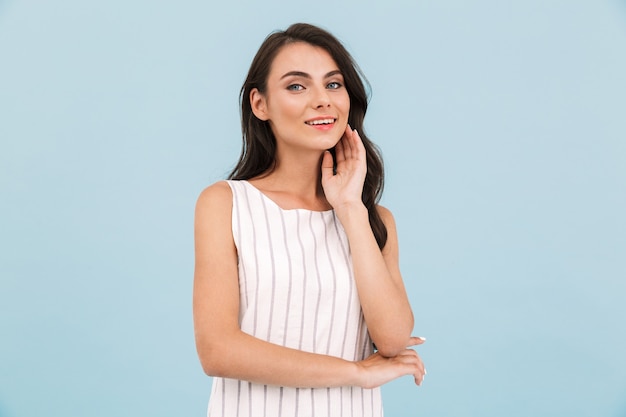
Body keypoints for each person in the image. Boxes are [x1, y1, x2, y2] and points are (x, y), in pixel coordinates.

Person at [193, 22, 426, 417]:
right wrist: (354, 373)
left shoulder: (373, 219)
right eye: (297, 86)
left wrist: (350, 208)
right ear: (259, 104)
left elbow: (391, 338)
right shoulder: (225, 204)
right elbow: (218, 350)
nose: (322, 100)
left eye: (333, 85)